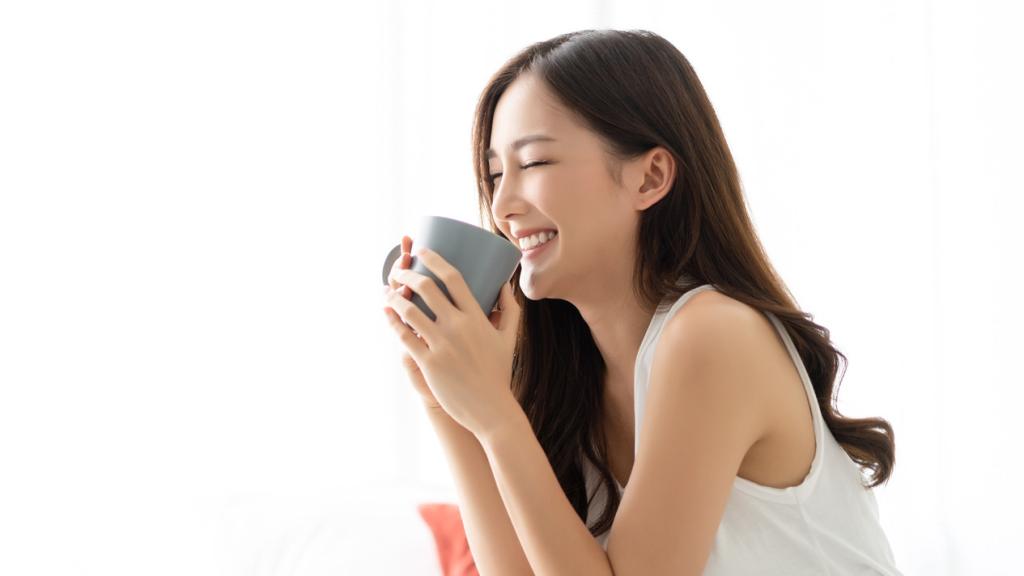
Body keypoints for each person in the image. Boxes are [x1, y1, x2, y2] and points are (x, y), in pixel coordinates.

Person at [383, 28, 902, 575]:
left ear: (650, 177)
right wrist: (447, 403)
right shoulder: (568, 379)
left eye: (533, 163)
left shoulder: (714, 335)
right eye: (494, 174)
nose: (504, 204)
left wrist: (494, 417)